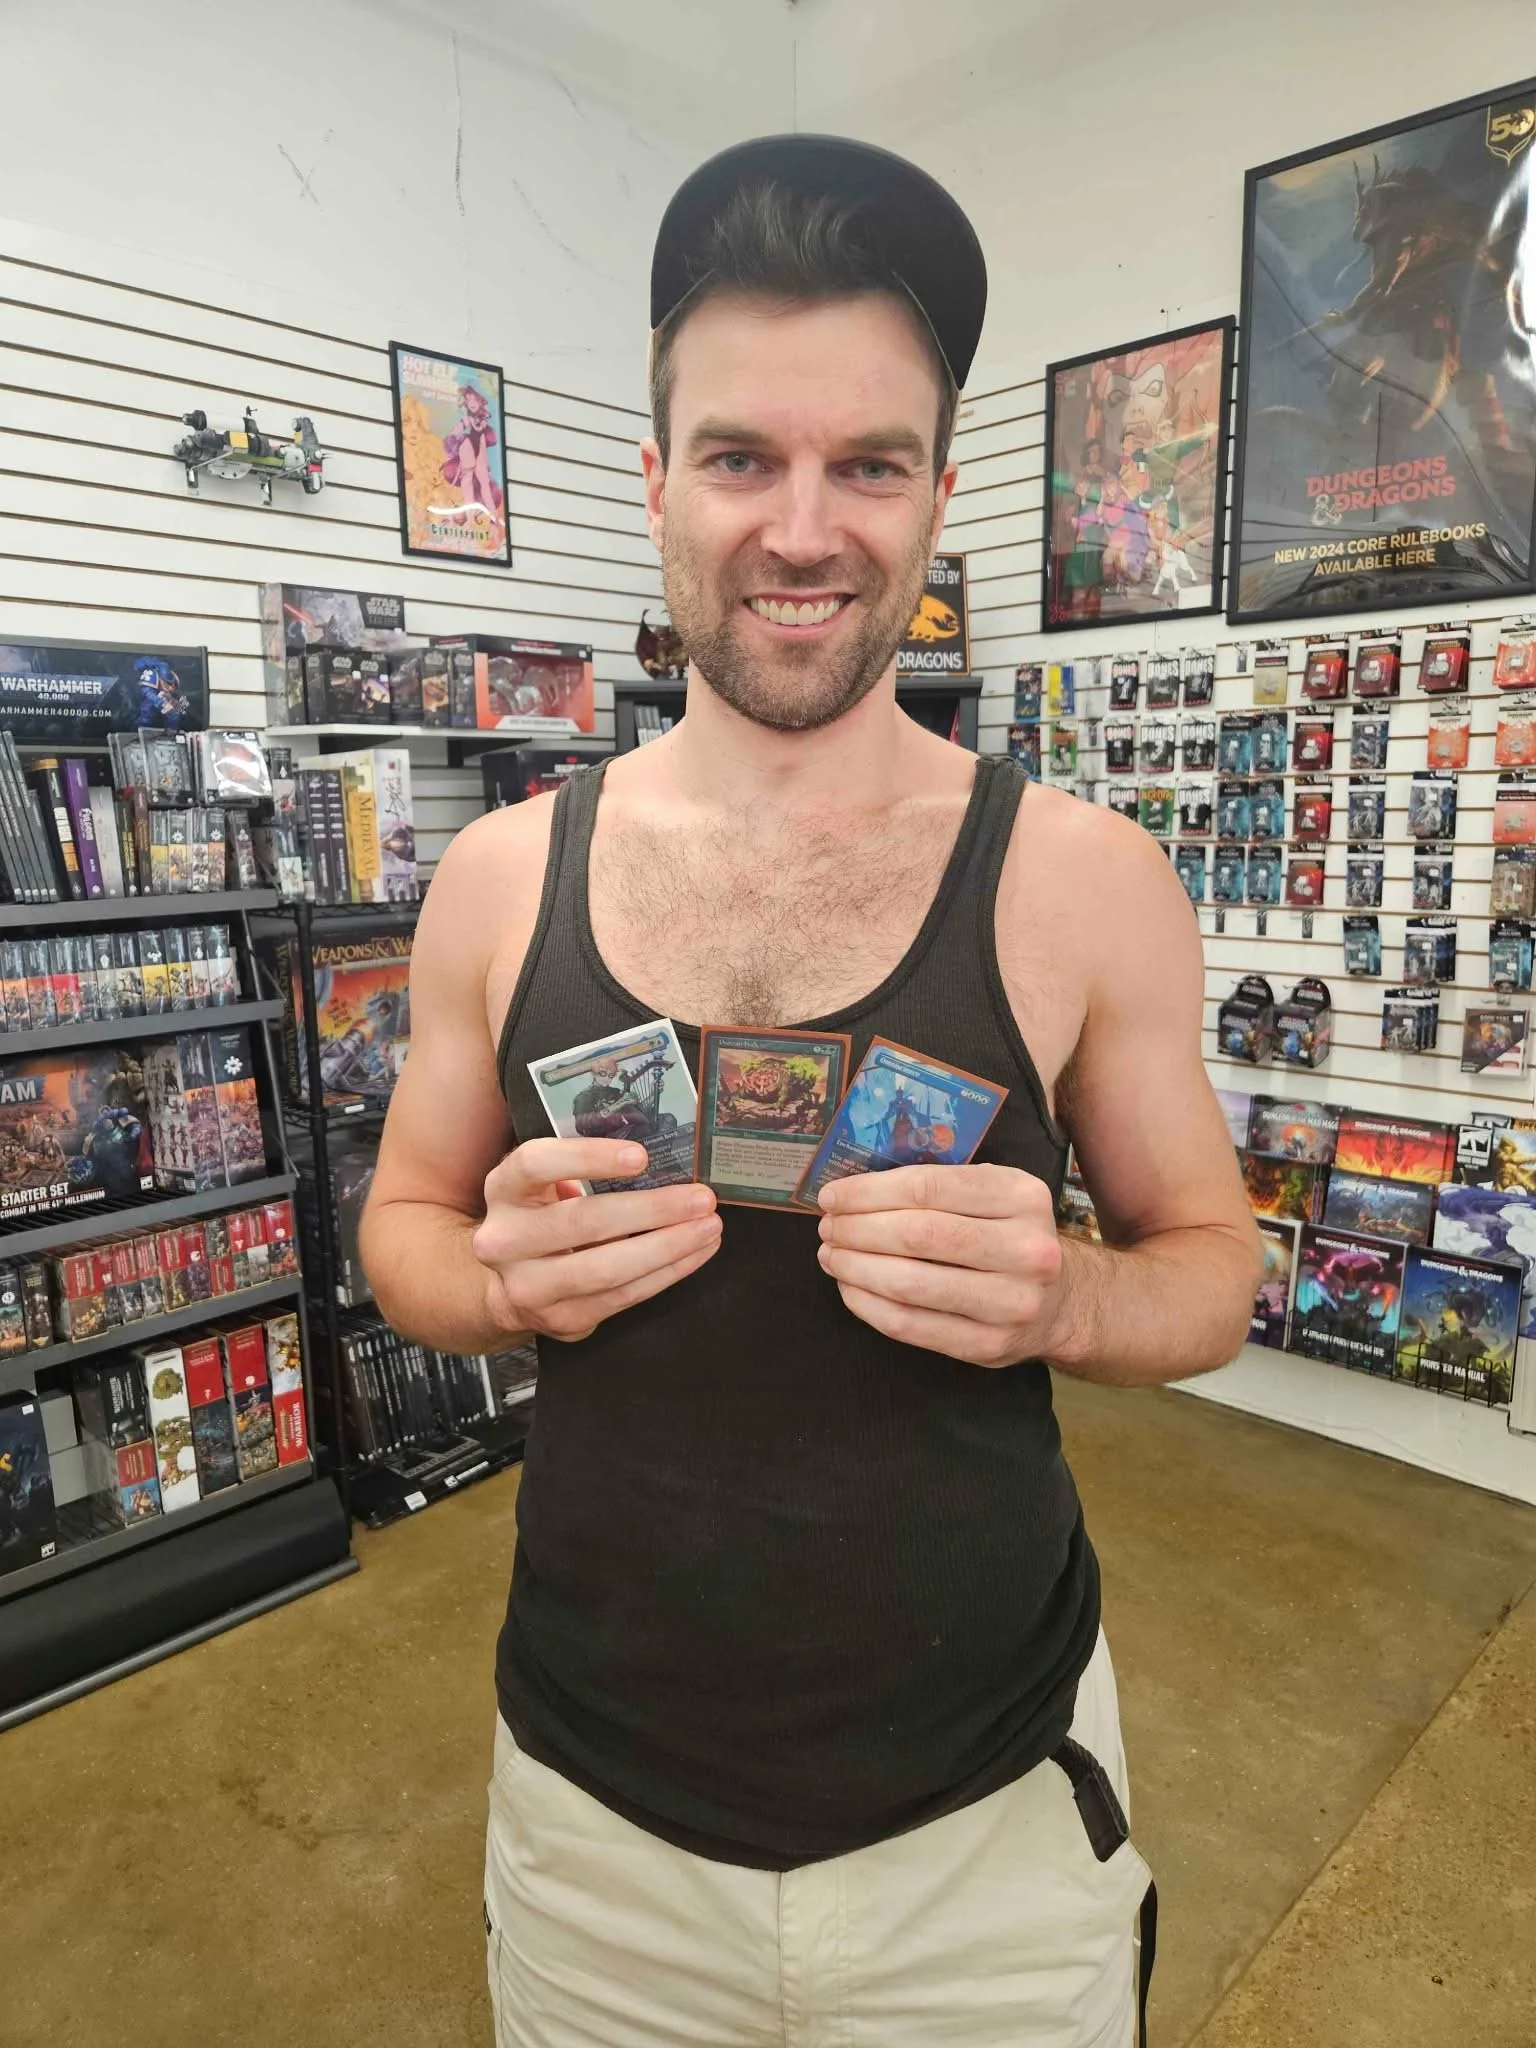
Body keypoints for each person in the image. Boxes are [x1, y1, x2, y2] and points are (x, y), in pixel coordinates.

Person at [360, 133, 1262, 2048]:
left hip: (986, 1836)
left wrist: (1069, 1298)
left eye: (868, 463)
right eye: (740, 458)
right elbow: (404, 1235)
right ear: (653, 480)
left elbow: (1210, 1270)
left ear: (938, 495)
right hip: (597, 1832)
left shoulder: (1089, 881)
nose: (801, 530)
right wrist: (495, 1282)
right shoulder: (498, 880)